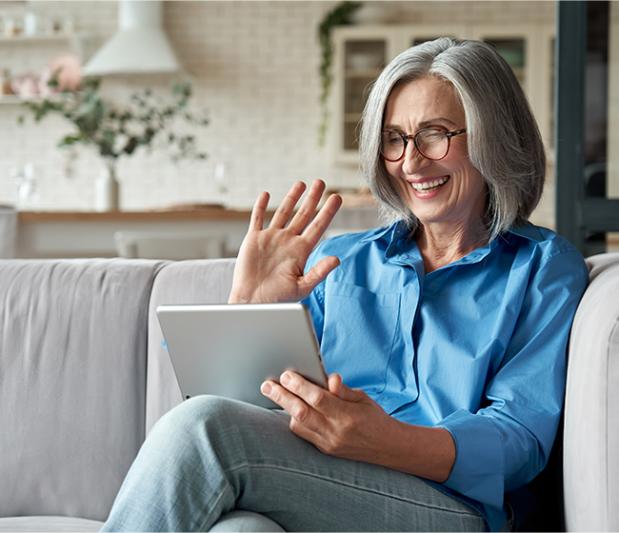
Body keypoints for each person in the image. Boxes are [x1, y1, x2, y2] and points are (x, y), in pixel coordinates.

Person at [101, 37, 588, 532]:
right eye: (394, 139)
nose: (411, 163)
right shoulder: (344, 258)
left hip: (450, 506)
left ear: (494, 136)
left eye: (435, 134)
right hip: (324, 487)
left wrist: (386, 440)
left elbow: (520, 441)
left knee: (203, 430)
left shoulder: (542, 267)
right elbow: (251, 410)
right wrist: (248, 308)